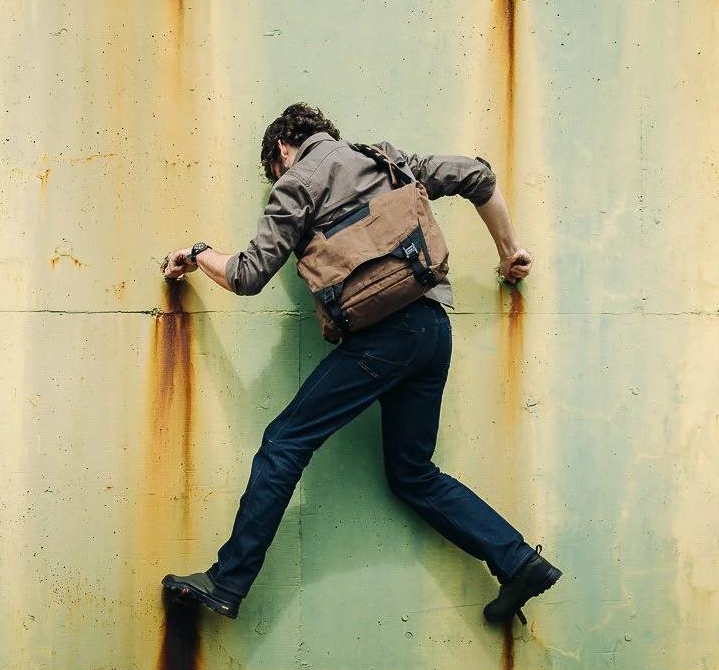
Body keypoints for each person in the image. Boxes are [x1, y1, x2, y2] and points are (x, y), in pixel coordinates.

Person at [159, 103, 560, 625]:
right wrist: (509, 253)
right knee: (412, 473)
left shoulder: (295, 182)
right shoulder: (388, 159)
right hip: (433, 328)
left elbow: (246, 275)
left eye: (274, 172)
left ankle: (227, 581)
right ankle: (518, 561)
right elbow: (476, 175)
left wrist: (197, 252)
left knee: (284, 444)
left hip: (383, 339)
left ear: (283, 149)